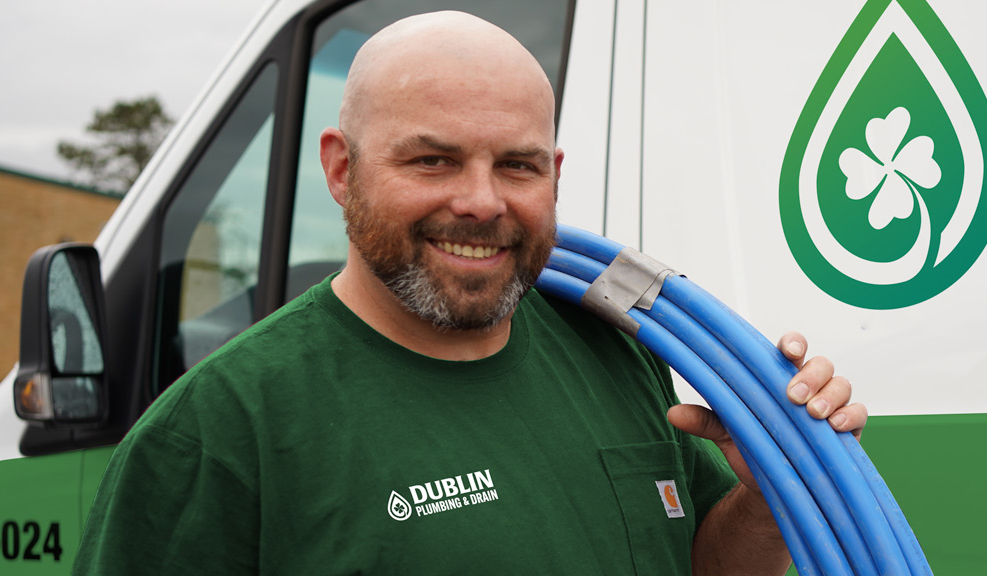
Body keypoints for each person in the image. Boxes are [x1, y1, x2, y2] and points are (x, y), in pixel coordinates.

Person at [74, 11, 866, 575]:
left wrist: (772, 496)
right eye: (433, 161)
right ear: (342, 170)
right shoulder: (219, 431)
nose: (483, 202)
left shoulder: (616, 354)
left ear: (553, 178)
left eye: (516, 166)